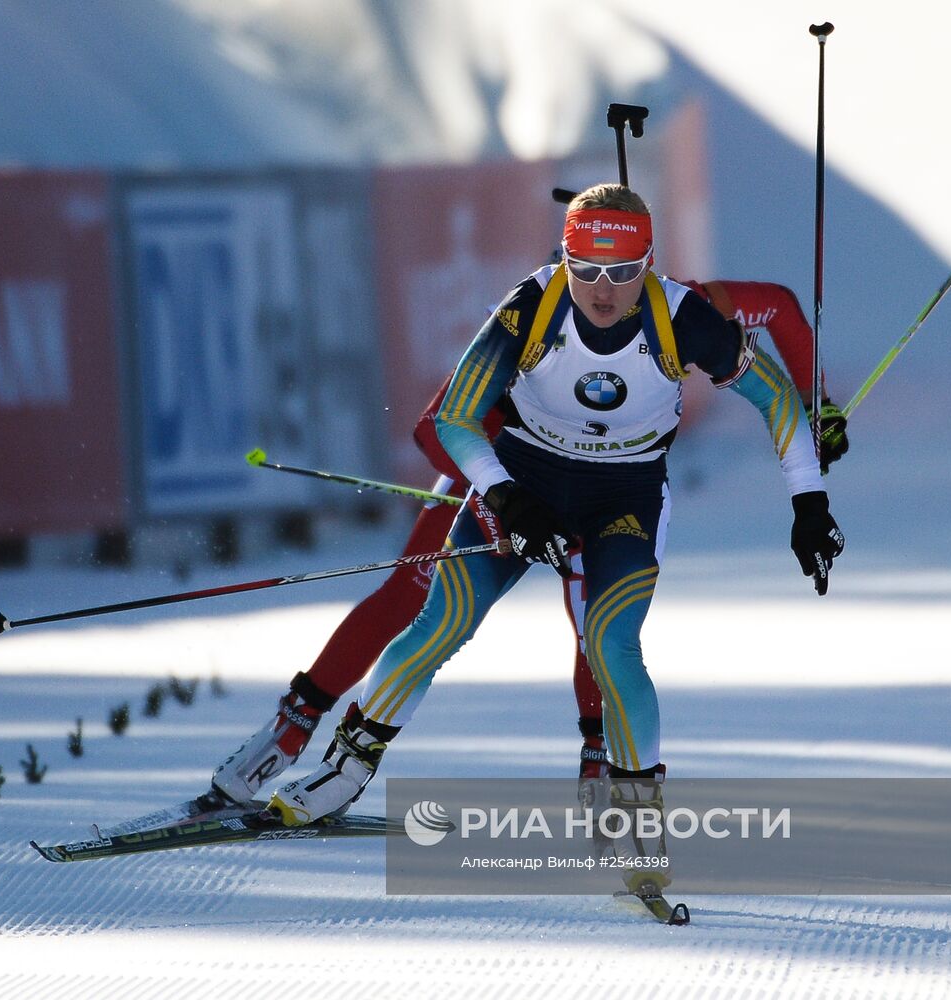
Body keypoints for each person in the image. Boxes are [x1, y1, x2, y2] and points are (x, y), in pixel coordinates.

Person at [266, 183, 845, 860]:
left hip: (623, 498)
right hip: (525, 479)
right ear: (563, 259)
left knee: (611, 645)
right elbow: (453, 416)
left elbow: (773, 396)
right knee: (442, 622)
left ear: (649, 264)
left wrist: (808, 503)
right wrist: (507, 497)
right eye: (587, 271)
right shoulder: (528, 306)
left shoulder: (683, 317)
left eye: (624, 273)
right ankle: (344, 772)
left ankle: (638, 820)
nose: (604, 292)